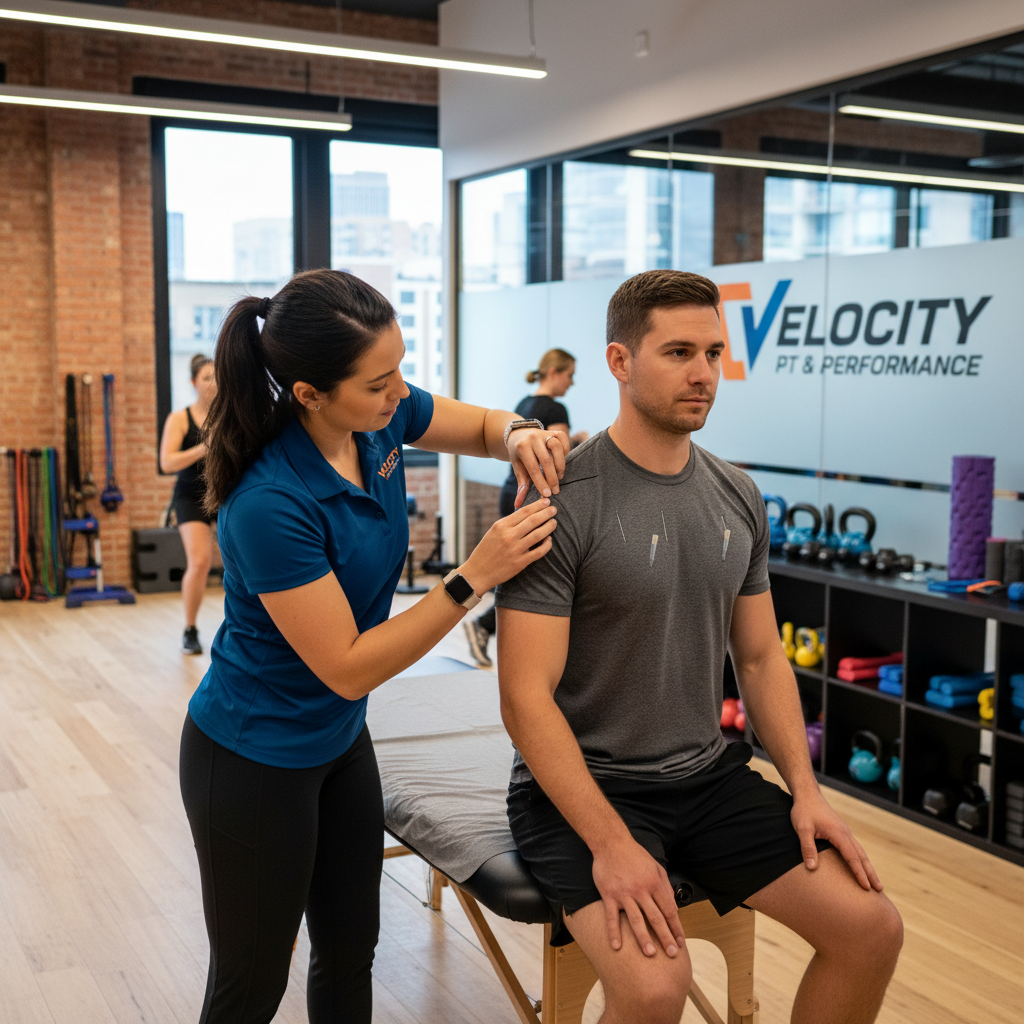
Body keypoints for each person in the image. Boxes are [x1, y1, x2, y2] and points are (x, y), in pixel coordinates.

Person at [495, 270, 903, 1024]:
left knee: (872, 929)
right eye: (679, 351)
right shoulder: (562, 500)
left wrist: (806, 793)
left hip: (705, 777)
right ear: (619, 362)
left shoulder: (737, 494)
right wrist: (610, 842)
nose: (703, 374)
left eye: (714, 353)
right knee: (653, 988)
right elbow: (524, 696)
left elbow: (759, 658)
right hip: (583, 790)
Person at [177, 269, 569, 1024]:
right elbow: (349, 665)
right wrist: (472, 577)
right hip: (252, 759)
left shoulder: (377, 420)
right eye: (379, 384)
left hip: (337, 745)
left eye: (400, 374)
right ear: (309, 394)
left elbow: (487, 427)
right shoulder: (269, 504)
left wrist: (520, 432)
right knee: (250, 985)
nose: (399, 396)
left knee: (351, 949)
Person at [464, 348, 588, 668]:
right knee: (532, 570)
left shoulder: (524, 405)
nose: (572, 383)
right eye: (569, 375)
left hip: (512, 491)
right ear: (553, 373)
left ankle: (491, 627)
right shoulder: (554, 406)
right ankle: (484, 625)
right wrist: (580, 442)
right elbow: (560, 453)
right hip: (535, 495)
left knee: (520, 565)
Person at [160, 353, 217, 655]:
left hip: (223, 493)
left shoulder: (228, 415)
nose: (213, 383)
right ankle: (190, 629)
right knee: (199, 562)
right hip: (191, 495)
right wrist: (203, 449)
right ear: (194, 382)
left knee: (241, 562)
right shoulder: (180, 418)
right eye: (207, 378)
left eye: (217, 377)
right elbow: (167, 462)